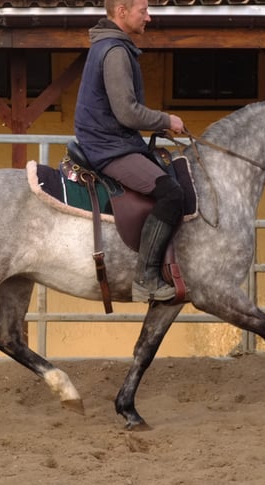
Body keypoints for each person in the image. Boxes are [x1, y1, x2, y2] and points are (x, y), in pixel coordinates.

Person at [74, 0, 186, 303]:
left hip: (111, 140)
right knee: (171, 193)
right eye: (143, 10)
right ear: (121, 11)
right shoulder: (115, 52)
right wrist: (167, 120)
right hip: (108, 146)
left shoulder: (111, 45)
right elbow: (127, 113)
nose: (149, 17)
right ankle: (146, 277)